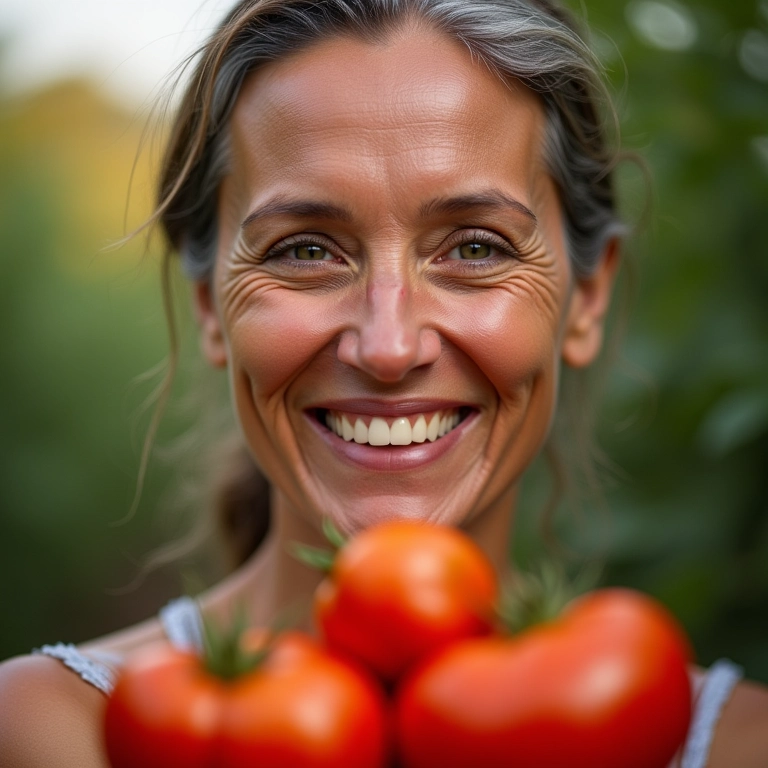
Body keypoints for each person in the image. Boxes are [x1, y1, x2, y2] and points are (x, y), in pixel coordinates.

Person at [0, 0, 766, 765]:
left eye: (475, 247)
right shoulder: (52, 735)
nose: (388, 346)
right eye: (304, 251)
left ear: (586, 296)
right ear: (209, 305)